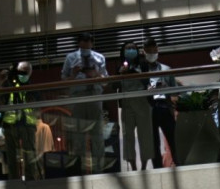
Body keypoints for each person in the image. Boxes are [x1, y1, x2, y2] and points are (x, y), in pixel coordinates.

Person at [60, 33, 108, 174]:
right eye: (83, 41)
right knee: (78, 136)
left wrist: (96, 75)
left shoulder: (100, 58)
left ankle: (98, 170)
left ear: (92, 43)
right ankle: (78, 171)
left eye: (89, 41)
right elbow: (63, 82)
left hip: (94, 97)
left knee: (97, 135)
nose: (86, 43)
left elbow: (105, 82)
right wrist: (74, 74)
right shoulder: (70, 58)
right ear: (79, 43)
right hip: (78, 98)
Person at [116, 41, 153, 171]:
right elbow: (116, 86)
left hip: (142, 102)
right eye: (128, 48)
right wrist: (121, 74)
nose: (131, 50)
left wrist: (134, 73)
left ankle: (144, 166)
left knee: (145, 135)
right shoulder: (119, 66)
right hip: (127, 104)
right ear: (123, 51)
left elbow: (147, 81)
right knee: (127, 136)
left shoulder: (143, 64)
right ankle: (132, 166)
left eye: (133, 48)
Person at [1, 61, 41, 180]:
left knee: (29, 154)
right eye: (19, 71)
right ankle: (13, 180)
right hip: (10, 124)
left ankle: (30, 179)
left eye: (24, 72)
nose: (21, 74)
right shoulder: (8, 84)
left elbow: (37, 103)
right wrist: (3, 79)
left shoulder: (31, 86)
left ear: (29, 72)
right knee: (11, 155)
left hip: (27, 124)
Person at [144, 37, 178, 168]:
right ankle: (157, 167)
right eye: (149, 50)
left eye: (154, 50)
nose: (152, 53)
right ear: (144, 52)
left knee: (173, 138)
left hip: (164, 106)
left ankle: (177, 162)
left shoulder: (166, 69)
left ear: (158, 50)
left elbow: (175, 92)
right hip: (149, 108)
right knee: (153, 142)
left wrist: (166, 88)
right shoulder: (142, 71)